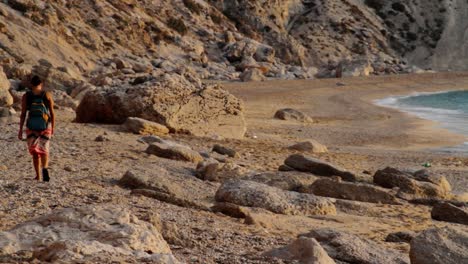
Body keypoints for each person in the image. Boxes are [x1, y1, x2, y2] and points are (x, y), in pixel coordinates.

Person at [18, 76, 55, 181]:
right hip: (45, 125)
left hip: (31, 126)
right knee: (44, 149)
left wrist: (20, 129)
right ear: (41, 84)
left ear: (31, 84)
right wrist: (53, 128)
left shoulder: (26, 96)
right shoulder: (46, 95)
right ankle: (45, 168)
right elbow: (52, 113)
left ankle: (38, 176)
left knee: (35, 151)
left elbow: (23, 113)